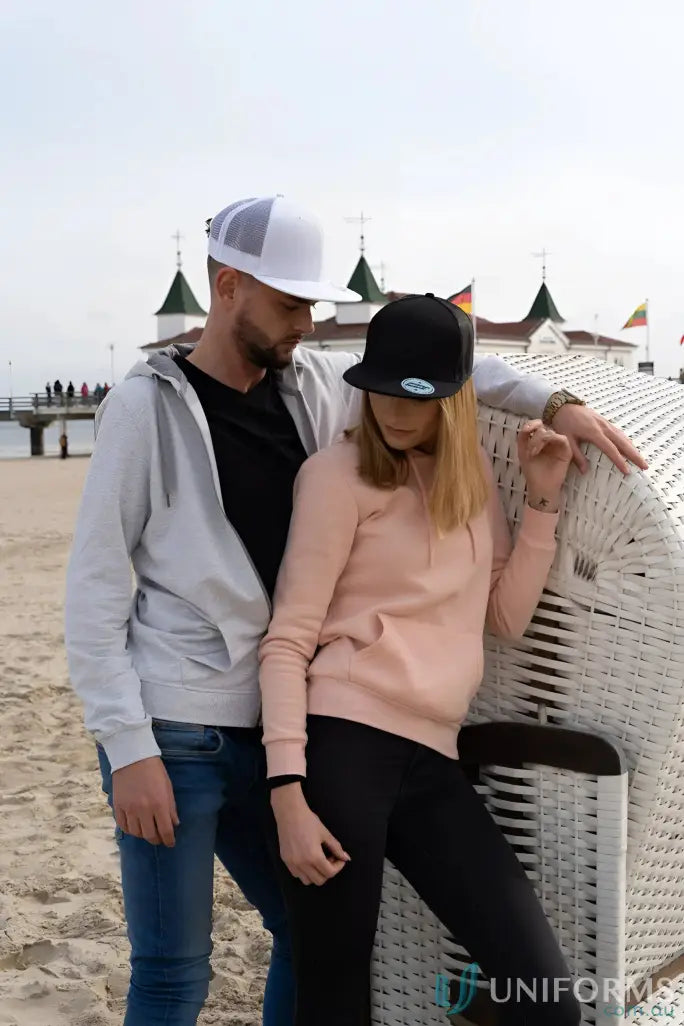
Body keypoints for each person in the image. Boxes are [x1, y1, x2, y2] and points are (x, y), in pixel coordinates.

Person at [64, 196, 646, 1026]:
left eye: (314, 306)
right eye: (291, 303)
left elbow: (442, 369)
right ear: (229, 287)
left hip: (283, 722)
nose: (308, 321)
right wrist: (127, 749)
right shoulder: (145, 409)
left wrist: (555, 408)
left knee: (304, 949)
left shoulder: (310, 386)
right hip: (183, 725)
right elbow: (92, 588)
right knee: (174, 970)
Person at [259, 295, 581, 1025]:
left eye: (419, 397)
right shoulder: (337, 477)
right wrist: (287, 791)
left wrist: (541, 502)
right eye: (382, 392)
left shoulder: (471, 488)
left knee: (545, 995)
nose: (396, 413)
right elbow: (288, 637)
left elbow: (503, 617)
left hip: (434, 760)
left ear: (453, 400)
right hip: (340, 749)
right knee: (336, 1001)